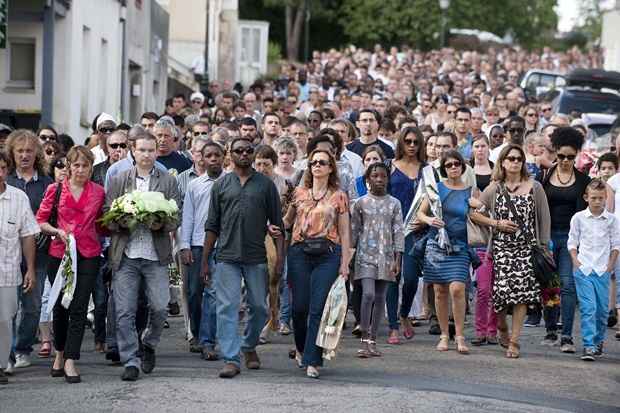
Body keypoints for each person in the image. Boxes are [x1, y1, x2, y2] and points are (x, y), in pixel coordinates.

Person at [202, 137, 284, 379]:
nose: (245, 154)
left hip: (256, 255)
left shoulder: (265, 185)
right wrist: (205, 260)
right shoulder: (221, 185)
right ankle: (231, 358)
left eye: (249, 150)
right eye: (239, 150)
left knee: (259, 307)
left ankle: (248, 346)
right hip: (226, 255)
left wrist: (280, 258)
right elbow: (212, 225)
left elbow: (278, 225)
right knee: (227, 307)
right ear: (230, 154)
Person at [104, 131, 181, 381]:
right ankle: (131, 359)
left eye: (151, 150)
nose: (147, 155)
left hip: (155, 255)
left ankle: (148, 342)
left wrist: (162, 223)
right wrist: (121, 220)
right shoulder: (118, 179)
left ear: (156, 151)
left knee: (160, 307)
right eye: (142, 150)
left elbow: (176, 214)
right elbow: (107, 213)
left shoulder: (168, 181)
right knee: (124, 311)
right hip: (126, 255)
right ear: (132, 151)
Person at [471, 144, 551, 358]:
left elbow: (544, 219)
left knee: (522, 297)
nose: (515, 162)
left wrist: (544, 246)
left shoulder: (535, 187)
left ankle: (514, 341)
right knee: (499, 298)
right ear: (503, 162)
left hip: (526, 249)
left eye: (519, 159)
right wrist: (496, 223)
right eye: (511, 158)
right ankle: (502, 328)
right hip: (500, 250)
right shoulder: (495, 188)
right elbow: (475, 214)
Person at [36, 146, 106, 383]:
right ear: (69, 166)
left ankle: (70, 360)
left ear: (91, 167)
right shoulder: (55, 190)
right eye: (76, 165)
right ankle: (59, 352)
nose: (80, 170)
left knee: (78, 306)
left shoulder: (98, 192)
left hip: (88, 253)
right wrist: (57, 231)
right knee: (60, 306)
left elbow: (102, 225)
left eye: (85, 165)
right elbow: (41, 221)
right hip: (60, 253)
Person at [283, 149, 352, 379]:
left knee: (318, 308)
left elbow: (344, 231)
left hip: (328, 254)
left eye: (322, 162)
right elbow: (287, 221)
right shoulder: (299, 193)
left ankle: (314, 359)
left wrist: (345, 264)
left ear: (331, 167)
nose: (317, 166)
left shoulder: (339, 195)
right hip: (300, 252)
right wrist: (273, 224)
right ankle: (302, 348)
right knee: (299, 308)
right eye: (313, 162)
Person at [537, 127, 590, 352]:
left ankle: (567, 335)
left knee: (568, 286)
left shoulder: (583, 181)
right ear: (555, 154)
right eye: (561, 156)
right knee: (550, 285)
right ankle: (550, 329)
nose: (566, 160)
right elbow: (538, 207)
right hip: (548, 237)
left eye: (571, 156)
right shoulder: (545, 177)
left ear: (576, 155)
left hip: (571, 240)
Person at [5, 130, 53, 372]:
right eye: (20, 151)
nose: (24, 155)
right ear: (12, 154)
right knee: (9, 306)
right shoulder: (6, 181)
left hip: (39, 252)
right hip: (8, 254)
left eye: (29, 151)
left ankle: (23, 347)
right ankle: (9, 351)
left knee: (33, 306)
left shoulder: (46, 183)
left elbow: (53, 215)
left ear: (37, 154)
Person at [417, 150, 472, 354]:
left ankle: (459, 335)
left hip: (459, 245)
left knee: (458, 288)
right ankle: (443, 334)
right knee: (439, 292)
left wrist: (481, 207)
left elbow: (479, 213)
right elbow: (420, 213)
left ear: (462, 166)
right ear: (444, 169)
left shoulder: (470, 190)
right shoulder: (436, 188)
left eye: (456, 164)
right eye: (448, 165)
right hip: (436, 244)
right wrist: (430, 220)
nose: (453, 168)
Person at [351, 162, 404, 357]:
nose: (379, 179)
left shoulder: (394, 204)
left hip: (387, 256)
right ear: (368, 180)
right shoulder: (360, 203)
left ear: (388, 179)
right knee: (368, 295)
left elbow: (398, 232)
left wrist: (398, 258)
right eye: (375, 176)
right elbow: (354, 231)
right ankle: (364, 338)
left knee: (381, 297)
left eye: (383, 176)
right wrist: (348, 257)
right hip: (365, 255)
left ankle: (373, 340)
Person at [179, 140, 226, 360]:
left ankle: (209, 339)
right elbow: (187, 217)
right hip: (197, 245)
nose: (213, 159)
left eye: (217, 155)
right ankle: (196, 334)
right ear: (202, 159)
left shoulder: (230, 182)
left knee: (213, 294)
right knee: (194, 292)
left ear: (224, 157)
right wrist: (185, 245)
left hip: (223, 245)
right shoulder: (195, 185)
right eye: (209, 156)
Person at [567, 179, 620, 361]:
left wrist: (610, 265)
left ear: (606, 198)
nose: (597, 201)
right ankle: (589, 345)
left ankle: (598, 341)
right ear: (586, 198)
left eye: (601, 198)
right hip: (584, 268)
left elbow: (616, 244)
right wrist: (576, 262)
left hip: (602, 269)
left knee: (602, 311)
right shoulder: (578, 218)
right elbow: (572, 242)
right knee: (589, 308)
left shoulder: (611, 220)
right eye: (594, 198)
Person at [0, 151, 39, 385]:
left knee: (4, 320)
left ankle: (1, 364)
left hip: (7, 271)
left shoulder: (19, 197)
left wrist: (31, 269)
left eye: (4, 168)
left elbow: (27, 235)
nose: (0, 173)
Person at [385, 127, 426, 344]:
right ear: (401, 143)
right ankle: (393, 326)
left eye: (415, 142)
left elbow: (434, 198)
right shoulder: (389, 166)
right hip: (392, 229)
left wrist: (426, 218)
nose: (411, 145)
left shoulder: (427, 169)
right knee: (393, 277)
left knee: (410, 278)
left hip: (416, 231)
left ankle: (404, 314)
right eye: (408, 141)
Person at [254, 145, 295, 342]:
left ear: (274, 164)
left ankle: (274, 320)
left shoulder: (284, 185)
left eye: (267, 164)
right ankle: (262, 323)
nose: (262, 168)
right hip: (255, 239)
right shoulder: (251, 183)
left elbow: (288, 215)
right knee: (258, 283)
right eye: (259, 164)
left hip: (280, 237)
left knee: (277, 281)